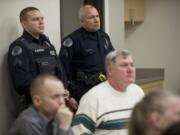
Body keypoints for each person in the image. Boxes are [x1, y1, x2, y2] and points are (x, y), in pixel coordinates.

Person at [72, 50, 144, 135]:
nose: (130, 69)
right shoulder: (93, 97)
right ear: (110, 70)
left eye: (132, 65)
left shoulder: (138, 92)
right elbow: (78, 132)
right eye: (124, 65)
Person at [8, 7, 67, 108]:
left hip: (56, 102)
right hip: (36, 105)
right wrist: (52, 91)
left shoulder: (47, 44)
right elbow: (21, 83)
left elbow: (60, 71)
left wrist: (64, 89)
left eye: (42, 19)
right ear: (24, 24)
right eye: (35, 19)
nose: (41, 22)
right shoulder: (19, 47)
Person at [59, 4, 114, 103]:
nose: (96, 20)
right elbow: (62, 71)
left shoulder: (104, 37)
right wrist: (69, 96)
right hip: (83, 91)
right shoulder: (72, 41)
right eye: (91, 17)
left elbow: (113, 60)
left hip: (105, 88)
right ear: (82, 21)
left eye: (97, 16)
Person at [8, 73, 74, 135]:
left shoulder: (56, 115)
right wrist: (64, 127)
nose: (62, 102)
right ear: (37, 101)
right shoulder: (28, 122)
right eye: (55, 97)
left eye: (63, 96)